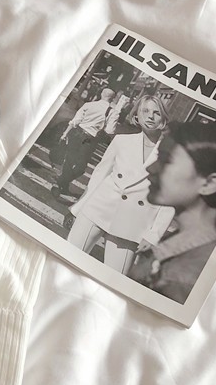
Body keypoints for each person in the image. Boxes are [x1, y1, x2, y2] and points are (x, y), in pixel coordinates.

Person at [129, 122, 216, 303]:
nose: (150, 168)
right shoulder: (189, 244)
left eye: (166, 160)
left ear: (209, 184)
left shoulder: (181, 278)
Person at [66, 94, 174, 274]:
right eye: (145, 111)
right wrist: (79, 207)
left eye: (156, 113)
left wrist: (153, 235)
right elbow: (100, 175)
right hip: (97, 210)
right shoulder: (121, 141)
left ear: (163, 118)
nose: (150, 116)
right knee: (67, 260)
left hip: (132, 223)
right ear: (136, 115)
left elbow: (170, 199)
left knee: (113, 280)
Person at [52, 87, 116, 197]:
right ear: (113, 99)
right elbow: (110, 131)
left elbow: (75, 121)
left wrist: (65, 133)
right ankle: (63, 185)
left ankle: (61, 181)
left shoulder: (89, 105)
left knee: (70, 161)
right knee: (81, 167)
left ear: (101, 94)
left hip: (76, 134)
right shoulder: (113, 113)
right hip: (90, 140)